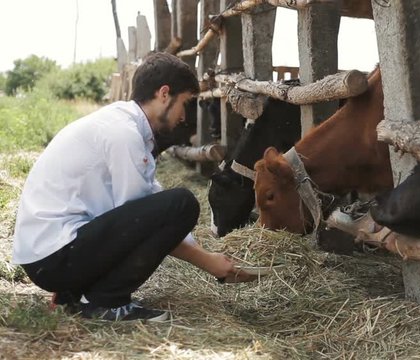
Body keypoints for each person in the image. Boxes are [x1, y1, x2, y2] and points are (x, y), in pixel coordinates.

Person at [12, 52, 257, 322]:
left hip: (49, 253)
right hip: (54, 257)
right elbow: (145, 221)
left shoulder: (121, 124)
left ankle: (77, 293)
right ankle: (107, 302)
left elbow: (149, 203)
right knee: (182, 203)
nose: (183, 116)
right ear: (164, 94)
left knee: (172, 205)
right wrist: (209, 263)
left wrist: (209, 256)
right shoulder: (123, 133)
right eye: (184, 103)